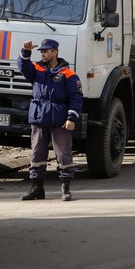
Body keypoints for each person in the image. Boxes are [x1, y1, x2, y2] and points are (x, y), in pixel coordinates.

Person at [17, 38, 83, 201]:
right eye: (41, 51)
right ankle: (37, 188)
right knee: (37, 154)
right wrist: (25, 52)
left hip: (59, 120)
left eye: (46, 51)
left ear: (55, 52)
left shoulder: (68, 74)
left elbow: (76, 98)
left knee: (63, 155)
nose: (43, 54)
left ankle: (65, 188)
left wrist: (71, 117)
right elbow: (23, 67)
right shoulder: (37, 69)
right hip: (39, 118)